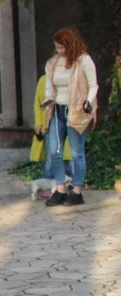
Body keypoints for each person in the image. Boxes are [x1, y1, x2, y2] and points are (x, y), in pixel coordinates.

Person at [41, 28, 98, 207]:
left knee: (76, 152)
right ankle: (60, 189)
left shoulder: (84, 60)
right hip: (57, 110)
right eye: (57, 48)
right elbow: (50, 85)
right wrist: (48, 98)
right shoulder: (53, 62)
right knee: (54, 151)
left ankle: (77, 191)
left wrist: (88, 102)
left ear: (70, 44)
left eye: (62, 47)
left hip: (76, 111)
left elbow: (93, 85)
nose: (59, 51)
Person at [31, 74, 73, 185]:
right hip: (49, 124)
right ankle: (49, 185)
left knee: (69, 157)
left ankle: (70, 186)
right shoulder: (43, 80)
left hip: (69, 123)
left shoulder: (70, 78)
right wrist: (38, 122)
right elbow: (38, 103)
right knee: (51, 156)